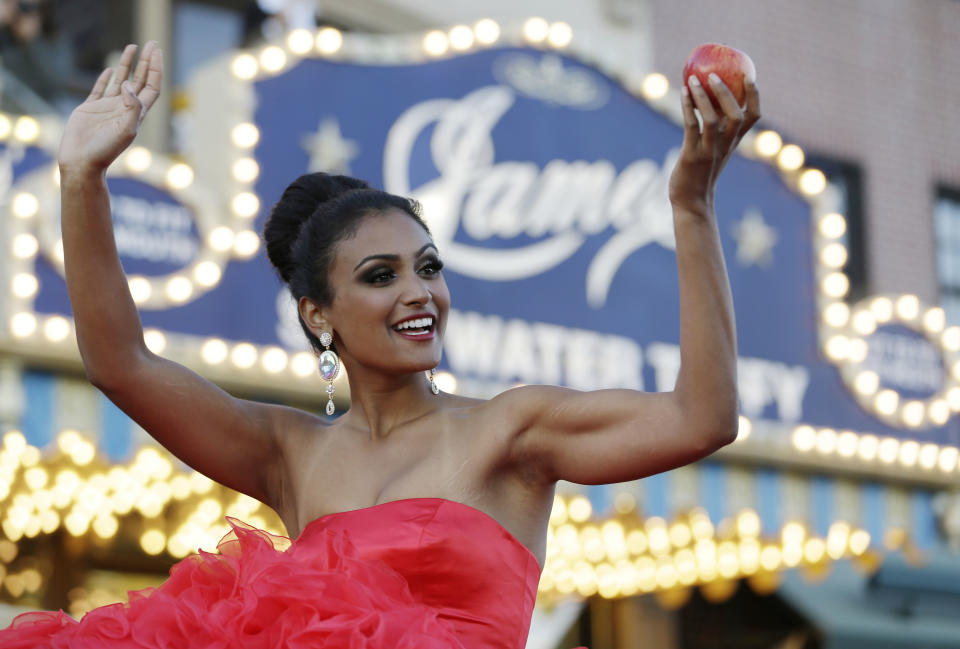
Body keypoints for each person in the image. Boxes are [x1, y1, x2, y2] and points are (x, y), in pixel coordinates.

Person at [0, 40, 759, 648]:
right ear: (319, 314)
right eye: (380, 275)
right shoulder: (288, 452)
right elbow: (120, 363)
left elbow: (703, 417)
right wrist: (80, 179)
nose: (418, 291)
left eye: (428, 267)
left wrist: (691, 205)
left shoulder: (510, 430)